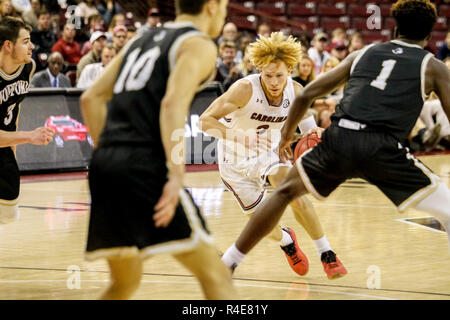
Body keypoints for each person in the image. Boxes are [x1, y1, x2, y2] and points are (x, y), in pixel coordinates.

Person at [221, 0, 450, 271]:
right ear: (429, 34)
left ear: (395, 27)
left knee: (283, 193)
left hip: (340, 138)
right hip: (382, 147)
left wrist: (285, 136)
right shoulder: (434, 67)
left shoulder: (362, 53)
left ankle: (230, 261)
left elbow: (306, 94)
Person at [80, 0, 237, 300]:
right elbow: (172, 103)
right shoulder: (199, 44)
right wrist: (176, 173)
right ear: (212, 6)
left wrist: (113, 154)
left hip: (105, 165)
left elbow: (90, 98)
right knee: (216, 275)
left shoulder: (141, 38)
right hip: (145, 165)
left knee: (124, 284)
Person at [201, 32, 347, 280]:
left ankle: (327, 252)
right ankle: (287, 241)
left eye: (279, 75)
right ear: (259, 69)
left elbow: (309, 131)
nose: (274, 82)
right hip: (233, 160)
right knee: (262, 223)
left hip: (269, 153)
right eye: (268, 75)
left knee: (291, 187)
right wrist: (239, 137)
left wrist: (319, 135)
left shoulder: (296, 91)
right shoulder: (244, 89)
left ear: (289, 69)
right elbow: (205, 121)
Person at [0, 17, 54, 225]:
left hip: (4, 144)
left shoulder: (27, 67)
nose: (32, 46)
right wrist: (29, 136)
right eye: (25, 41)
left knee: (9, 212)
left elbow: (16, 103)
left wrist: (13, 145)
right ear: (8, 45)